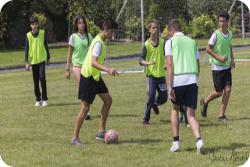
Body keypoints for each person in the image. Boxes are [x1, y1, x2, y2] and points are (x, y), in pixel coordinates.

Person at [70, 17, 119, 145]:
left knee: (108, 100)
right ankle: (75, 138)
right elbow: (93, 62)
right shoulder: (98, 43)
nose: (113, 35)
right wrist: (108, 70)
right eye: (112, 32)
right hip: (88, 77)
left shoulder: (98, 39)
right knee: (85, 108)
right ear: (105, 29)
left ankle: (101, 132)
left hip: (96, 77)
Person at [164, 19, 204, 154]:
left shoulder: (170, 42)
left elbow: (169, 65)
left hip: (178, 80)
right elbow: (198, 64)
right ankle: (199, 140)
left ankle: (176, 143)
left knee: (174, 109)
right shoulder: (192, 42)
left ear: (171, 31)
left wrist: (170, 86)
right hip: (193, 79)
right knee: (191, 116)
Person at [200, 11, 235, 122]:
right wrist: (219, 58)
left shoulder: (230, 34)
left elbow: (229, 46)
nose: (221, 23)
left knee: (228, 90)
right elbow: (208, 49)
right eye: (220, 21)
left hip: (226, 68)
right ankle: (205, 102)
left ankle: (221, 116)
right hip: (217, 68)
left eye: (224, 21)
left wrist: (232, 59)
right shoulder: (215, 35)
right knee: (219, 92)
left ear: (228, 22)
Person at [139, 19, 168, 125]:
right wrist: (148, 63)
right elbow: (140, 60)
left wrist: (166, 63)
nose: (155, 30)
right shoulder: (146, 44)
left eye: (156, 28)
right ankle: (145, 120)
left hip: (161, 75)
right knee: (151, 95)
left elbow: (167, 55)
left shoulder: (162, 42)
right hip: (151, 75)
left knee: (164, 98)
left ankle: (153, 104)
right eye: (153, 28)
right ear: (149, 30)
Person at [66, 14, 93, 120]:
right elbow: (69, 54)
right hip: (76, 65)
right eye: (79, 23)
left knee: (88, 88)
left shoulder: (89, 36)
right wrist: (67, 69)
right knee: (83, 86)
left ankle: (85, 110)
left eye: (83, 23)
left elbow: (94, 49)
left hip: (87, 66)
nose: (81, 25)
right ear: (76, 25)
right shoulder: (73, 37)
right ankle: (85, 112)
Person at [25, 15, 50, 107]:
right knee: (35, 81)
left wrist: (48, 58)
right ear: (30, 25)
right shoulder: (28, 35)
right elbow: (26, 50)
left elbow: (46, 46)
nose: (34, 26)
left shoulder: (42, 33)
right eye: (33, 24)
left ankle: (45, 99)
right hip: (33, 62)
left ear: (38, 24)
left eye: (36, 24)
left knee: (42, 79)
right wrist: (26, 62)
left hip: (42, 60)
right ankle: (38, 99)